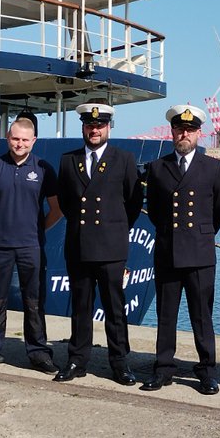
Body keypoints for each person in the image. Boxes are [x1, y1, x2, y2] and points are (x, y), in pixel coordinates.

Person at [140, 104, 220, 395]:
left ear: (199, 134)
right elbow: (153, 210)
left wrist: (201, 234)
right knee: (166, 314)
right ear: (172, 132)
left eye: (190, 130)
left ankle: (207, 370)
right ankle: (163, 368)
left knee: (202, 315)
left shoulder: (213, 168)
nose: (184, 134)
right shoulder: (157, 167)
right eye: (179, 129)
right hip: (168, 250)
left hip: (200, 253)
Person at [54, 103, 144, 385]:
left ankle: (120, 362)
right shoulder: (68, 160)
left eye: (100, 125)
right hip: (79, 245)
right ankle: (77, 360)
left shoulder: (124, 159)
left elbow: (133, 203)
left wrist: (114, 229)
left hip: (111, 247)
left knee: (114, 307)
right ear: (83, 127)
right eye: (90, 125)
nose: (95, 129)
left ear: (108, 128)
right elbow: (67, 203)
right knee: (80, 306)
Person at [0, 118, 62, 373]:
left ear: (33, 141)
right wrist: (1, 223)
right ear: (8, 138)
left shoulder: (44, 169)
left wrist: (37, 229)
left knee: (33, 300)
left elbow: (57, 209)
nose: (19, 143)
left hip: (31, 246)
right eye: (15, 138)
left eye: (25, 139)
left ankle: (38, 353)